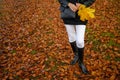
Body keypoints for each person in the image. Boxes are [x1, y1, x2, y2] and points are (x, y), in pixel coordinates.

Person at [58, 0, 96, 74]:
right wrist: (68, 4)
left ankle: (81, 62)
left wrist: (83, 4)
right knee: (71, 38)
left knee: (80, 41)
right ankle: (76, 55)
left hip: (81, 13)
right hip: (68, 13)